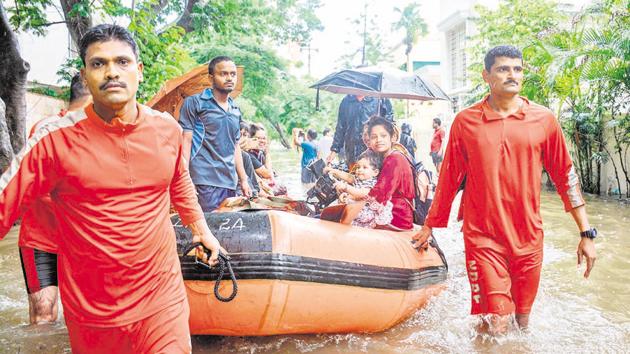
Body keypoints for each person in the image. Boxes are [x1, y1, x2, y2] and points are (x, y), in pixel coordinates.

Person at [0, 24, 225, 353]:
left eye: (122, 62)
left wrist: (200, 228)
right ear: (85, 74)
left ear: (139, 71)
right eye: (98, 64)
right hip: (94, 316)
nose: (111, 72)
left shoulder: (167, 130)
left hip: (162, 302)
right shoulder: (53, 139)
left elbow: (178, 178)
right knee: (44, 315)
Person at [412, 45, 597, 335]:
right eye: (503, 69)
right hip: (483, 237)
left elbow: (566, 177)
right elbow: (449, 178)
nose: (512, 75)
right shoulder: (466, 122)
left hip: (529, 237)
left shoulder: (544, 120)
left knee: (522, 324)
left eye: (517, 69)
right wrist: (430, 224)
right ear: (486, 75)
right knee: (497, 322)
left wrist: (586, 233)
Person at [18, 73, 91, 325]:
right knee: (43, 313)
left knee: (89, 316)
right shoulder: (46, 129)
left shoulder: (107, 134)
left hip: (87, 244)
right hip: (42, 239)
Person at [179, 55, 252, 212]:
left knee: (229, 231)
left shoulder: (235, 110)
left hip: (229, 181)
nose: (229, 78)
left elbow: (235, 146)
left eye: (233, 74)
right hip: (204, 180)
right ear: (210, 77)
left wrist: (244, 180)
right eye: (223, 74)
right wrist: (185, 179)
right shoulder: (195, 103)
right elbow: (186, 140)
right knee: (209, 229)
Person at [360, 117, 415, 230]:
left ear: (393, 137)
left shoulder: (394, 159)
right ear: (369, 141)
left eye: (383, 136)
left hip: (396, 217)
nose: (379, 140)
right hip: (388, 212)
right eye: (374, 137)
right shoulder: (384, 157)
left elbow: (379, 195)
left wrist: (350, 195)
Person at [327, 95, 393, 167]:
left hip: (372, 148)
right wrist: (334, 150)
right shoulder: (346, 101)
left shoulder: (380, 99)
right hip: (351, 149)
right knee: (353, 173)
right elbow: (341, 127)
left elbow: (389, 125)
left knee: (371, 172)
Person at [333, 150, 385, 228]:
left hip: (365, 211)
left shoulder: (372, 182)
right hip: (357, 205)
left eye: (364, 167)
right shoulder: (360, 179)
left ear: (375, 172)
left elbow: (361, 193)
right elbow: (350, 181)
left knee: (344, 211)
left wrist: (346, 187)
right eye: (358, 167)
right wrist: (346, 195)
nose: (359, 170)